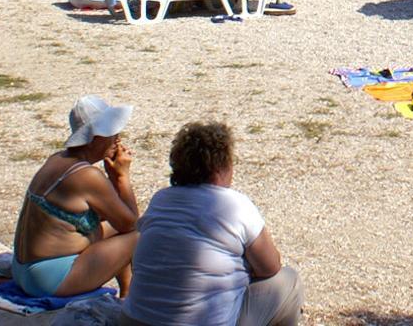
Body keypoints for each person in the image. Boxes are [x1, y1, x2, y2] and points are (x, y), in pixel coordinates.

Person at [120, 121, 303, 326]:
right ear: (220, 167)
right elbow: (270, 267)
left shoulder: (160, 200)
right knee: (289, 280)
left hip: (135, 320)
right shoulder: (235, 204)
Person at [11, 96, 139, 300]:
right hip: (48, 279)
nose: (118, 139)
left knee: (116, 230)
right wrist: (122, 177)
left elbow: (117, 218)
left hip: (22, 269)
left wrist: (113, 178)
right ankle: (130, 297)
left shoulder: (58, 159)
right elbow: (131, 224)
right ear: (94, 137)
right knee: (141, 234)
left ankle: (126, 293)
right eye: (111, 133)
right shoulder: (87, 176)